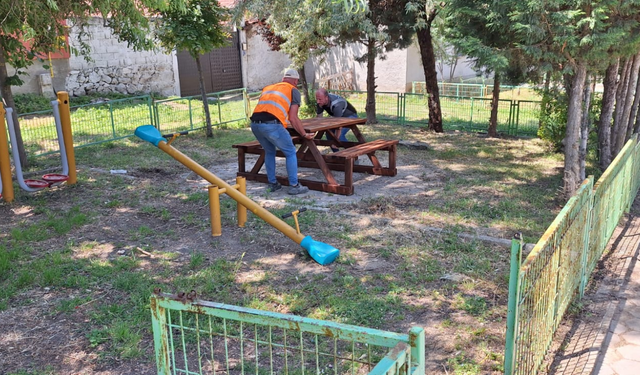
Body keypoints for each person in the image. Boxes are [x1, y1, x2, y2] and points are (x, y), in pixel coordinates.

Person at [250, 68, 314, 195]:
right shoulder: (293, 90)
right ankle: (294, 186)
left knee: (269, 151)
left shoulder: (268, 88)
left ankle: (273, 183)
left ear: (283, 79)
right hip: (272, 125)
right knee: (290, 152)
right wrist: (304, 134)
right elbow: (293, 118)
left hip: (255, 124)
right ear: (295, 81)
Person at [315, 88, 358, 152]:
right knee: (329, 134)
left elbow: (338, 126)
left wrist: (336, 140)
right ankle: (337, 156)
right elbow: (319, 118)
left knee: (339, 136)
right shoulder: (320, 102)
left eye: (320, 99)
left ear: (326, 98)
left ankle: (354, 156)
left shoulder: (336, 105)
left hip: (350, 116)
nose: (318, 101)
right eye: (317, 99)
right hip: (338, 117)